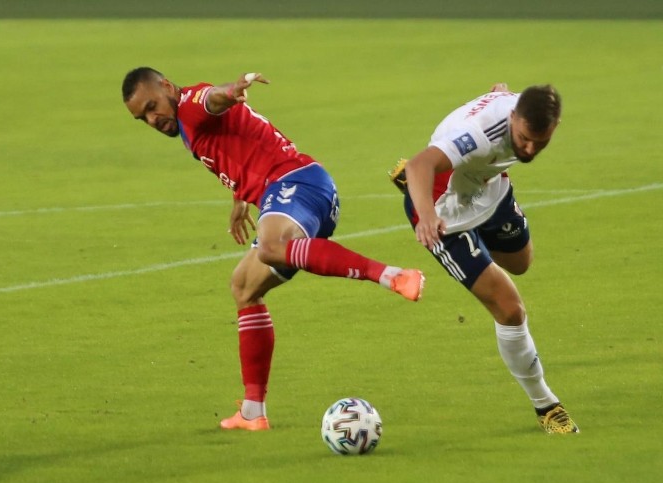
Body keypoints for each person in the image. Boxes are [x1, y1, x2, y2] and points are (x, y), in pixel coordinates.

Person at [122, 67, 424, 431]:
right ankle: (252, 411)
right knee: (244, 287)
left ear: (167, 87)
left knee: (270, 247)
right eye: (144, 118)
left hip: (297, 183)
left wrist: (233, 89)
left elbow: (213, 99)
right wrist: (240, 198)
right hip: (292, 192)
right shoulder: (185, 124)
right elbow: (239, 140)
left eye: (153, 106)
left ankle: (392, 276)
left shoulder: (189, 105)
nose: (153, 119)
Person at [389, 82, 578, 433]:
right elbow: (418, 164)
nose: (530, 148)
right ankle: (546, 405)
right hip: (443, 212)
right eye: (523, 138)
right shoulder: (479, 136)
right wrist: (427, 216)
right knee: (509, 308)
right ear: (512, 117)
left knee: (521, 262)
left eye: (541, 141)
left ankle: (475, 252)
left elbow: (503, 93)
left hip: (488, 186)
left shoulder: (525, 107)